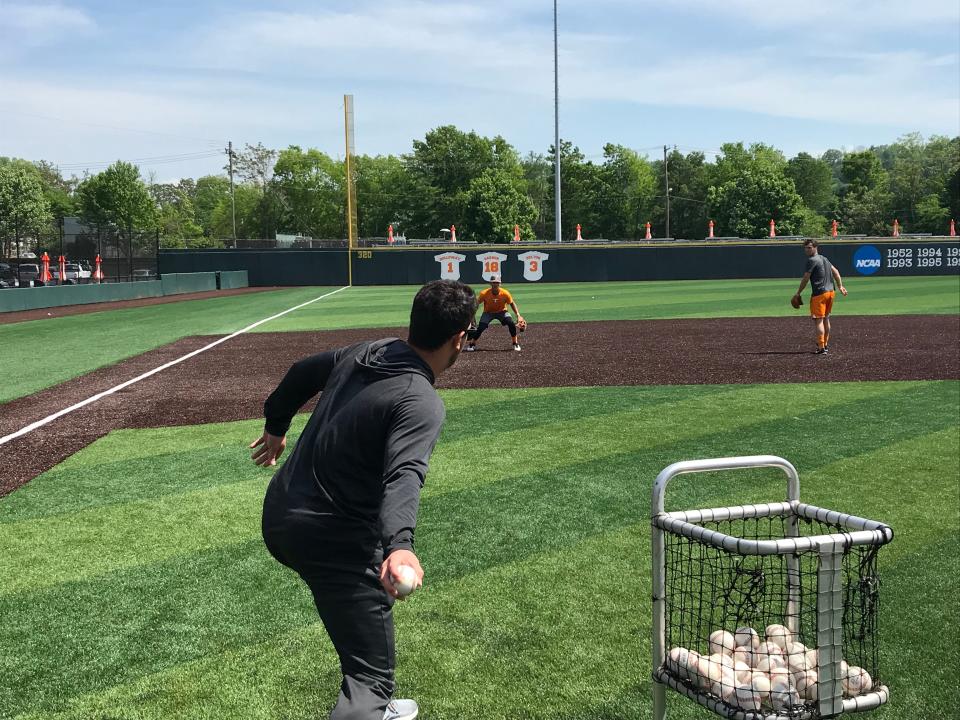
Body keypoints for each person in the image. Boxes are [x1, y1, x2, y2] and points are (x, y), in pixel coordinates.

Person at [250, 280, 476, 720]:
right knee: (370, 677)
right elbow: (404, 474)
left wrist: (277, 423)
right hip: (330, 537)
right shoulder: (420, 400)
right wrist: (401, 545)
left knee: (367, 615)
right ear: (459, 339)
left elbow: (301, 371)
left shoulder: (365, 351)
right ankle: (372, 705)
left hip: (280, 515)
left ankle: (381, 706)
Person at [792, 239, 847, 354]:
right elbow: (836, 271)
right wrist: (840, 286)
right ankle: (825, 344)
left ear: (816, 247)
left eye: (809, 247)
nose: (807, 250)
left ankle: (821, 347)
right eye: (806, 248)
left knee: (818, 320)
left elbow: (806, 278)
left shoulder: (811, 260)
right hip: (831, 292)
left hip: (820, 294)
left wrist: (798, 293)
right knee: (826, 319)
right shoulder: (824, 259)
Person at [465, 274, 525, 352]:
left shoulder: (505, 293)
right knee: (481, 327)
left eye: (497, 282)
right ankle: (472, 344)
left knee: (511, 323)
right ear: (490, 283)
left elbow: (512, 303)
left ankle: (515, 343)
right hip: (488, 313)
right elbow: (476, 304)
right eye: (493, 282)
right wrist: (471, 314)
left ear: (500, 283)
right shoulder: (484, 293)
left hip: (502, 312)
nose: (495, 284)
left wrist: (518, 315)